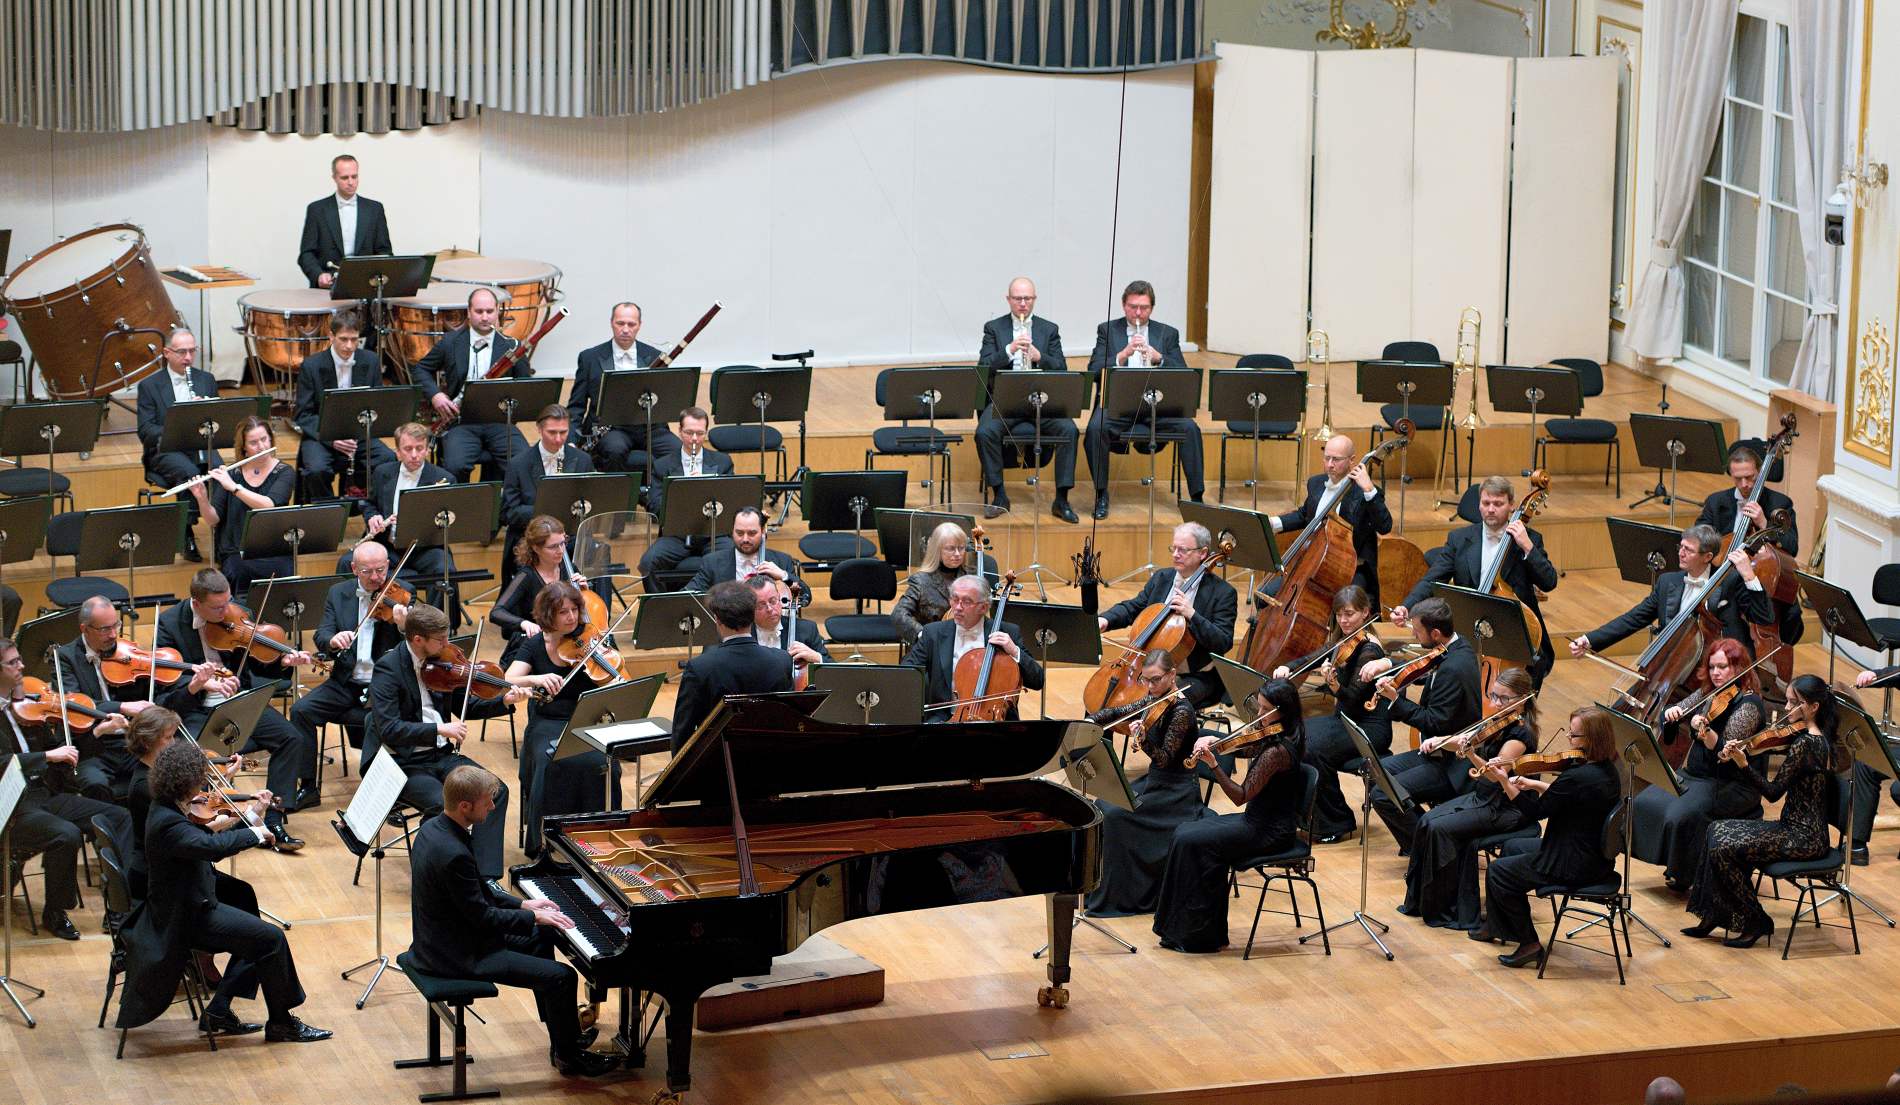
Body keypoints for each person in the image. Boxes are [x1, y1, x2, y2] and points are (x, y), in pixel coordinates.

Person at [115, 741, 332, 1042]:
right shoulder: (167, 822)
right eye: (200, 779)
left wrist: (253, 816)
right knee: (271, 939)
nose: (204, 785)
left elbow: (203, 837)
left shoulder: (167, 807)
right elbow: (211, 847)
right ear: (186, 782)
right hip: (185, 918)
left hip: (193, 900)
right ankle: (281, 1023)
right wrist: (255, 833)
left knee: (251, 919)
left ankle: (220, 1009)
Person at [406, 764, 616, 1076]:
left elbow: (476, 890)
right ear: (465, 806)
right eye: (487, 801)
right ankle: (570, 1059)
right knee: (561, 976)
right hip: (456, 955)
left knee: (542, 939)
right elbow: (482, 916)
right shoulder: (453, 853)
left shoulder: (435, 828)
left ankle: (563, 1038)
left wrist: (524, 904)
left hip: (446, 937)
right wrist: (533, 917)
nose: (493, 806)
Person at [155, 568, 318, 849]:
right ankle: (207, 827)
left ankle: (273, 820)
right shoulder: (169, 624)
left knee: (290, 737)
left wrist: (281, 663)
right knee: (194, 756)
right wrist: (199, 684)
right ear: (196, 603)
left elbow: (256, 661)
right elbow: (167, 683)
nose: (225, 611)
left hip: (237, 702)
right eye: (217, 607)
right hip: (197, 708)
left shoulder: (237, 614)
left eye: (227, 602)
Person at [368, 603, 529, 877]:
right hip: (404, 762)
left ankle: (485, 877)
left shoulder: (444, 663)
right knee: (442, 804)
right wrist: (439, 729)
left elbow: (469, 707)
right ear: (418, 640)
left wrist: (505, 700)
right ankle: (433, 877)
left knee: (495, 791)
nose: (447, 644)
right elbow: (390, 729)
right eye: (441, 639)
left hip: (441, 756)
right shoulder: (389, 669)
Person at [1683, 673, 1841, 948]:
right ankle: (1714, 912)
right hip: (1793, 828)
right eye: (1787, 701)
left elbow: (1772, 792)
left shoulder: (1807, 744)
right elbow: (1778, 748)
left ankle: (1755, 919)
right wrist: (1749, 747)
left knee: (1723, 847)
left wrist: (1743, 763)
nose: (1787, 708)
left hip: (1804, 838)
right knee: (1715, 829)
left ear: (1814, 707)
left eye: (1794, 703)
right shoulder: (1809, 737)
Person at [1152, 678, 1307, 953]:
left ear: (1282, 711)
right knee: (1185, 831)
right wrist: (1217, 740)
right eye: (1259, 707)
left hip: (1268, 831)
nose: (1259, 715)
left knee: (1193, 841)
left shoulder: (1277, 752)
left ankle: (1199, 936)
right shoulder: (1273, 735)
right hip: (1256, 821)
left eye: (1265, 709)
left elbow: (1240, 796)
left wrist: (1214, 764)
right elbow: (1246, 746)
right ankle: (1178, 928)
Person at [0, 636, 133, 940]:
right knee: (66, 834)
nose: (22, 665)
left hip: (44, 795)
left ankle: (119, 907)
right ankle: (55, 912)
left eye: (19, 659)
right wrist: (47, 756)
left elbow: (64, 753)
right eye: (13, 662)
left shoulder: (26, 707)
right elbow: (3, 762)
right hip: (11, 806)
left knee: (118, 817)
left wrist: (97, 731)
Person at [1479, 705, 1622, 968]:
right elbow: (1570, 799)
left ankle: (1529, 944)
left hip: (1570, 862)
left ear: (1591, 739)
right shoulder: (1609, 770)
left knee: (1499, 872)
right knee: (1512, 847)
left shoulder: (1577, 776)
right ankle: (1497, 925)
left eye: (1574, 735)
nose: (1568, 738)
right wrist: (1535, 784)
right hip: (1591, 854)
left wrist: (1505, 782)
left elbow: (1534, 813)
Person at [1399, 667, 1537, 933]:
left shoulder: (1521, 736)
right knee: (1426, 822)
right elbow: (1465, 740)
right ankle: (1422, 902)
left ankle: (1448, 909)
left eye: (1503, 698)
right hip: (1482, 798)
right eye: (1493, 696)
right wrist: (1440, 741)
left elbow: (1495, 777)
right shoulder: (1497, 722)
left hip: (1504, 807)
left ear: (1522, 700)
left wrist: (1471, 755)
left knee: (1440, 829)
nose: (1496, 703)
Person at [1393, 474, 1559, 685]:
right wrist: (1407, 606)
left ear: (1511, 505)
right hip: (1471, 629)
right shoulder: (1459, 539)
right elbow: (1431, 579)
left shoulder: (1529, 539)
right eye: (1486, 503)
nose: (1491, 509)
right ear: (1479, 504)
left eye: (1498, 504)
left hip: (1515, 633)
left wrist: (1527, 547)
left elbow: (1549, 582)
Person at [1630, 638, 1767, 892]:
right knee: (1644, 802)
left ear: (1738, 667)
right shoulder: (1709, 692)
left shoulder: (1749, 705)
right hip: (1696, 775)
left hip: (1730, 783)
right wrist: (1670, 715)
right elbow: (1680, 708)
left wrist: (1706, 733)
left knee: (1680, 816)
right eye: (1712, 667)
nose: (1715, 673)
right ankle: (1672, 863)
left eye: (1722, 667)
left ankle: (1684, 873)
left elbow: (1726, 754)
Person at [1082, 650, 1204, 916]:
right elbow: (1120, 711)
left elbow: (1165, 759)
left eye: (1155, 680)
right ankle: (1098, 890)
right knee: (1103, 804)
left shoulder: (1182, 711)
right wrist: (1089, 721)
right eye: (1145, 680)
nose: (1149, 686)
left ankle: (1120, 896)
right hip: (1156, 782)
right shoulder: (1154, 698)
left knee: (1114, 815)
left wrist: (1144, 740)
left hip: (1176, 792)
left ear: (1172, 675)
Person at [504, 581, 619, 856]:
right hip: (548, 722)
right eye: (563, 612)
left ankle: (602, 833)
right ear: (548, 615)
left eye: (574, 610)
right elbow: (509, 678)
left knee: (606, 764)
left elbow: (614, 678)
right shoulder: (534, 645)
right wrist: (536, 678)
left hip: (587, 721)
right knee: (549, 761)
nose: (571, 617)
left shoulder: (590, 640)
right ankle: (545, 840)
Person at [1360, 596, 1484, 848]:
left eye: (1417, 631)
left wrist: (1396, 700)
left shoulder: (1454, 668)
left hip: (1450, 763)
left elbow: (1433, 722)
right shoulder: (1456, 646)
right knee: (1372, 771)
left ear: (1435, 633)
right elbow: (1422, 668)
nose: (1414, 636)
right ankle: (1422, 836)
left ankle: (1427, 847)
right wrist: (1389, 665)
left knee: (1383, 795)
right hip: (1434, 753)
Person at [1271, 585, 1391, 842]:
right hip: (1344, 719)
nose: (1343, 620)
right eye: (1339, 614)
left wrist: (1334, 685)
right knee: (1293, 736)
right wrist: (1287, 667)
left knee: (1312, 748)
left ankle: (1335, 821)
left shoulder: (1371, 650)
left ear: (1365, 612)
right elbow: (1313, 657)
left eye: (1349, 614)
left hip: (1367, 727)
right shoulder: (1343, 640)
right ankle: (1300, 814)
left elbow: (1354, 699)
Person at [290, 542, 411, 778]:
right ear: (354, 568)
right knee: (301, 710)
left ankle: (377, 787)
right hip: (345, 682)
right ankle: (307, 785)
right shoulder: (338, 592)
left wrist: (404, 626)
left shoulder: (403, 592)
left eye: (380, 570)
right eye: (367, 571)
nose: (375, 578)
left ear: (388, 565)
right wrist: (333, 640)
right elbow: (322, 634)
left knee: (376, 721)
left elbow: (417, 642)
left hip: (385, 685)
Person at [1571, 525, 1774, 663]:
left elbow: (1764, 617)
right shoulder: (1668, 582)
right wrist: (1590, 640)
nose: (1680, 553)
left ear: (1707, 557)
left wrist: (1749, 576)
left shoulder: (1730, 581)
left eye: (1688, 550)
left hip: (1721, 667)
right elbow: (1634, 618)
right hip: (1674, 664)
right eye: (1681, 547)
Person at [1083, 280, 1196, 518]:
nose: (1137, 313)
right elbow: (1093, 371)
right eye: (1132, 306)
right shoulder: (1107, 330)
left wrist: (1159, 358)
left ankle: (1197, 499)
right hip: (1119, 406)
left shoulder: (1167, 333)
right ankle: (1101, 494)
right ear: (1124, 305)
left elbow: (1183, 373)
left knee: (1190, 428)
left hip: (1159, 407)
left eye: (1143, 308)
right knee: (1095, 428)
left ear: (1152, 308)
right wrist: (1122, 355)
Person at [1098, 522, 1237, 709]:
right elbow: (1134, 607)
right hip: (1147, 670)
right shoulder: (1162, 578)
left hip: (1195, 675)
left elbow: (1223, 641)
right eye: (1174, 548)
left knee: (1153, 703)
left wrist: (1192, 614)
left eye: (1183, 550)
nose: (1175, 554)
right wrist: (1106, 619)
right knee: (1105, 693)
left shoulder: (1223, 592)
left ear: (1203, 553)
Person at [974, 276, 1078, 523]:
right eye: (1018, 298)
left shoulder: (1048, 329)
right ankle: (1000, 495)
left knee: (1069, 430)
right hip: (1006, 401)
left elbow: (1061, 368)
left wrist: (1040, 357)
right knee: (984, 432)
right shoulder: (994, 328)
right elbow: (984, 367)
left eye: (1027, 298)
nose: (1023, 303)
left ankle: (1061, 499)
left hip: (1042, 401)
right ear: (1008, 299)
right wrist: (1009, 350)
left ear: (1034, 299)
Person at [411, 286, 530, 483]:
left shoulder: (512, 346)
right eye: (479, 311)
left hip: (500, 422)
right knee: (454, 466)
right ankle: (463, 501)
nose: (485, 317)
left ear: (497, 311)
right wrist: (436, 395)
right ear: (468, 312)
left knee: (523, 463)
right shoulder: (450, 342)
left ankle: (501, 501)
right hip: (461, 421)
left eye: (490, 311)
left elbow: (524, 386)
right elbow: (420, 369)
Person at [1263, 434, 1392, 606]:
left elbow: (1385, 526)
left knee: (1346, 606)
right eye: (1327, 458)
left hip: (1351, 567)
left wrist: (1369, 490)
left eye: (1336, 459)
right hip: (1315, 561)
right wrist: (1272, 523)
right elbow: (1304, 515)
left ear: (1351, 460)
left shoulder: (1365, 492)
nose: (1330, 464)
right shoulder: (1316, 483)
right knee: (1266, 596)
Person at [1696, 441, 1802, 649]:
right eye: (1738, 478)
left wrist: (1764, 523)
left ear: (1759, 473)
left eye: (1750, 477)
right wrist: (1723, 546)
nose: (1744, 484)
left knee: (1792, 613)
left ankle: (1776, 649)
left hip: (1762, 578)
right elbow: (1699, 538)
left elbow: (1792, 547)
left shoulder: (1780, 503)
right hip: (1724, 577)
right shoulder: (1716, 502)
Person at [669, 581, 796, 751]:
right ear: (752, 614)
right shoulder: (782, 660)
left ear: (717, 619)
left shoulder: (700, 668)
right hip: (771, 758)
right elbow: (790, 721)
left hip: (720, 759)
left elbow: (682, 733)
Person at [904, 574, 1044, 722]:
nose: (958, 607)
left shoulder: (1007, 632)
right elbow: (906, 673)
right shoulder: (933, 633)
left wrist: (1014, 651)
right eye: (955, 599)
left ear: (983, 607)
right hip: (944, 720)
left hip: (994, 722)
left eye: (967, 601)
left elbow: (1037, 681)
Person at [56, 594, 153, 800]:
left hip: (130, 740)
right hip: (93, 745)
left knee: (169, 767)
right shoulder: (66, 658)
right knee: (94, 783)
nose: (113, 634)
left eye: (116, 625)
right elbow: (75, 704)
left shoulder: (126, 652)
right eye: (104, 629)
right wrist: (121, 707)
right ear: (85, 629)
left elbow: (151, 688)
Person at [292, 307, 394, 502]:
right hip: (322, 436)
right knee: (316, 469)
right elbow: (303, 415)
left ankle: (370, 510)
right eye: (343, 339)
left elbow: (377, 404)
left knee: (387, 459)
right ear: (331, 336)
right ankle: (330, 511)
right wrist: (332, 439)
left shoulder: (371, 360)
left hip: (359, 435)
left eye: (354, 340)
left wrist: (360, 431)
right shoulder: (311, 366)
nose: (349, 346)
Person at [188, 415, 297, 597]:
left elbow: (268, 505)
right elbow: (213, 520)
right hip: (236, 550)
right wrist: (202, 499)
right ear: (244, 447)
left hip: (273, 549)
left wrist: (234, 487)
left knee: (283, 570)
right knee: (238, 570)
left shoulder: (284, 472)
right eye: (254, 442)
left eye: (264, 439)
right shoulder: (231, 473)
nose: (261, 446)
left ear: (271, 439)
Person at [566, 301, 679, 475]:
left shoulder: (655, 357)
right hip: (609, 428)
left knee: (678, 450)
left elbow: (662, 400)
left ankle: (659, 492)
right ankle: (617, 492)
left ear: (639, 325)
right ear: (612, 323)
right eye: (620, 323)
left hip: (649, 428)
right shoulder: (589, 358)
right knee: (615, 450)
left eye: (631, 324)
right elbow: (576, 405)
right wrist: (571, 440)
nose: (625, 329)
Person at [136, 327, 217, 562]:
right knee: (190, 473)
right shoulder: (149, 386)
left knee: (221, 472)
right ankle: (186, 532)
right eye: (182, 352)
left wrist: (205, 412)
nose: (188, 357)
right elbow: (146, 431)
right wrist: (178, 425)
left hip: (200, 446)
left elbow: (218, 421)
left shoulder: (206, 380)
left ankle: (223, 533)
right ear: (166, 353)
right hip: (165, 450)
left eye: (192, 351)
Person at [500, 404, 595, 592]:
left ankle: (597, 608)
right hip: (532, 539)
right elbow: (508, 512)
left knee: (597, 549)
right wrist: (547, 511)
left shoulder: (582, 460)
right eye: (552, 432)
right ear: (539, 429)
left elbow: (590, 502)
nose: (558, 439)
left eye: (563, 432)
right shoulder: (518, 464)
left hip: (570, 536)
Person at [638, 407, 736, 587]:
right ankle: (664, 605)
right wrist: (682, 490)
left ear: (706, 432)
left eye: (700, 433)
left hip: (713, 533)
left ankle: (721, 605)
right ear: (679, 431)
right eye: (689, 433)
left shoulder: (722, 462)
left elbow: (731, 502)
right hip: (677, 535)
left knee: (731, 559)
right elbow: (655, 506)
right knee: (648, 563)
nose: (694, 439)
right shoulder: (662, 465)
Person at [356, 421, 458, 583]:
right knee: (347, 562)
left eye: (420, 448)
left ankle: (437, 603)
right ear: (398, 451)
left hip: (425, 549)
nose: (414, 455)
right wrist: (373, 517)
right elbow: (369, 504)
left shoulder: (444, 479)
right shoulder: (382, 472)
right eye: (408, 449)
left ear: (427, 450)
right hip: (387, 547)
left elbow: (450, 521)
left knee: (444, 569)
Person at [297, 153, 391, 288]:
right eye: (345, 178)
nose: (351, 182)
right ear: (334, 178)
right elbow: (306, 254)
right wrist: (318, 275)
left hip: (366, 285)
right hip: (328, 287)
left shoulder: (374, 209)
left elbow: (384, 251)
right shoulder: (317, 210)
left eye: (354, 176)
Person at [492, 516, 584, 641]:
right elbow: (497, 612)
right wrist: (524, 623)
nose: (561, 551)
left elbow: (578, 612)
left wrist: (584, 593)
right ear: (536, 548)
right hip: (537, 642)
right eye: (553, 546)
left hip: (568, 639)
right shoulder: (526, 576)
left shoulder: (570, 569)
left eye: (563, 543)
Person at [891, 521, 976, 651]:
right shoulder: (921, 580)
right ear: (937, 550)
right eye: (951, 548)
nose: (957, 554)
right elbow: (898, 614)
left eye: (961, 548)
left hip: (967, 647)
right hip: (931, 650)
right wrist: (923, 635)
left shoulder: (972, 577)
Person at [685, 506, 798, 592]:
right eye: (739, 533)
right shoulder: (712, 562)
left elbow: (804, 596)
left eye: (752, 533)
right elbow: (687, 596)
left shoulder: (782, 561)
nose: (745, 539)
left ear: (763, 531)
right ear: (732, 531)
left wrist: (784, 576)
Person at [747, 575, 829, 672]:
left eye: (773, 601)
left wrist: (817, 657)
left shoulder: (807, 629)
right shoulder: (741, 633)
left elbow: (834, 668)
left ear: (779, 598)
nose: (769, 609)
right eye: (761, 605)